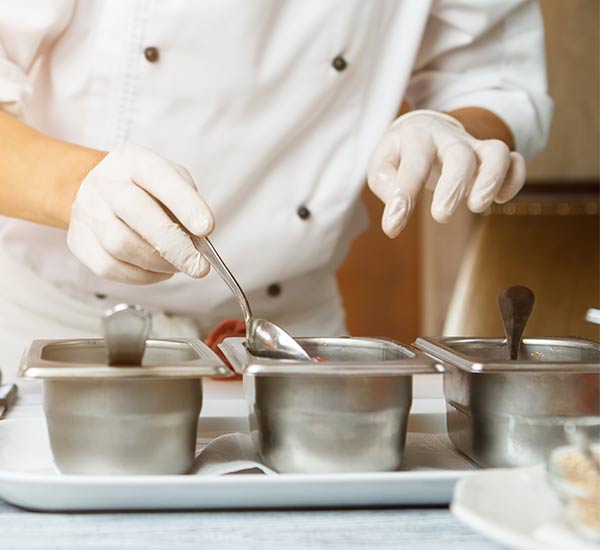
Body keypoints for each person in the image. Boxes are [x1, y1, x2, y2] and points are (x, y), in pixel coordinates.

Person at [0, 1, 552, 381]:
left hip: (293, 338)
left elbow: (493, 75)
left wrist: (450, 128)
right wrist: (78, 187)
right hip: (59, 333)